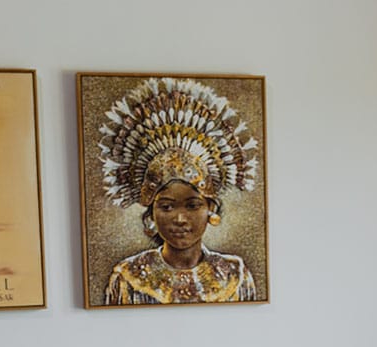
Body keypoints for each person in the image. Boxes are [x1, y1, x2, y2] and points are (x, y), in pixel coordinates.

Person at [97, 77, 259, 305]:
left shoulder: (235, 274)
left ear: (210, 208)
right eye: (167, 207)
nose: (180, 219)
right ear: (151, 212)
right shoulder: (128, 276)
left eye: (193, 205)